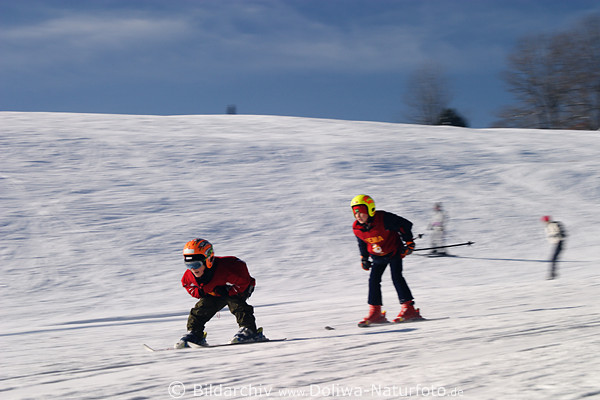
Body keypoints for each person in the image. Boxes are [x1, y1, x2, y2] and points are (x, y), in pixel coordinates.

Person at [175, 238, 267, 348]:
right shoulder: (189, 276)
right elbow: (187, 285)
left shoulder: (228, 270)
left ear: (208, 260)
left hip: (238, 288)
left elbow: (244, 282)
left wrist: (229, 291)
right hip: (214, 292)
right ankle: (195, 334)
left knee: (236, 303)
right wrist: (200, 292)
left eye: (196, 265)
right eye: (188, 265)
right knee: (201, 309)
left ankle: (249, 330)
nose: (193, 269)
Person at [351, 194, 422, 326]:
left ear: (370, 210)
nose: (358, 216)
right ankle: (375, 312)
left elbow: (405, 225)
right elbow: (362, 242)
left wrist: (409, 243)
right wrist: (364, 258)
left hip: (393, 251)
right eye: (355, 213)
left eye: (361, 212)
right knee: (373, 281)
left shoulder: (384, 219)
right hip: (377, 256)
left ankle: (409, 309)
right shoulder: (357, 228)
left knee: (396, 276)